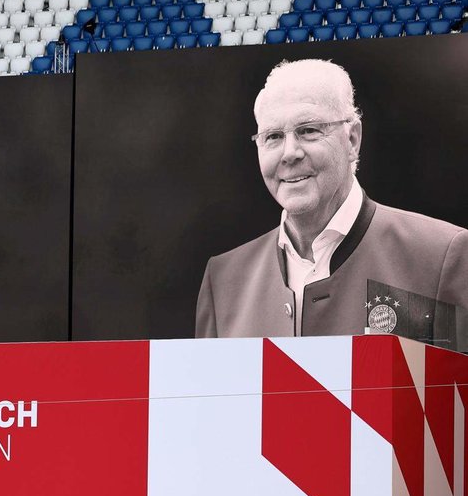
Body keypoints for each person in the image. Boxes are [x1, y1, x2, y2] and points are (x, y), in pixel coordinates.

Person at [195, 59, 468, 347]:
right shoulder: (223, 281)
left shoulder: (440, 258)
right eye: (273, 136)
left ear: (352, 140)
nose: (290, 153)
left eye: (309, 130)